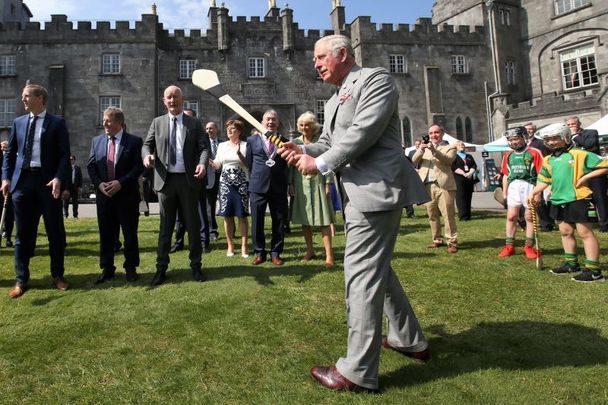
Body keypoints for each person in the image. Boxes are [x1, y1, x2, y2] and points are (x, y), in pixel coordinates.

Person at [279, 34, 430, 392]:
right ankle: (410, 340)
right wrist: (301, 147)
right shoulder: (333, 100)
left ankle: (357, 372)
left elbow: (364, 133)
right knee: (378, 269)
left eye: (319, 57)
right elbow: (331, 142)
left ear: (342, 54)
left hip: (376, 190)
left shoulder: (376, 80)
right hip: (358, 193)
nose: (314, 64)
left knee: (361, 275)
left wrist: (320, 163)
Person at [1, 84, 70, 298]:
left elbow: (63, 155)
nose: (23, 100)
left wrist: (59, 178)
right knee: (23, 234)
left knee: (55, 232)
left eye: (26, 96)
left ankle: (57, 275)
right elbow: (10, 154)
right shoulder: (18, 123)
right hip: (23, 183)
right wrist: (5, 178)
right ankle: (21, 279)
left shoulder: (57, 123)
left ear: (40, 98)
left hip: (47, 183)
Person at [142, 85, 209, 286]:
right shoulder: (157, 122)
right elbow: (147, 144)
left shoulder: (194, 123)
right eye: (169, 98)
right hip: (165, 181)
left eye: (176, 97)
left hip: (188, 181)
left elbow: (204, 148)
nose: (172, 101)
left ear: (183, 99)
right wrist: (147, 156)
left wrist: (202, 163)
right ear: (164, 101)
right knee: (165, 228)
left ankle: (196, 266)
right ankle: (161, 268)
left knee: (193, 226)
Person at [529, 123, 608, 282]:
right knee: (565, 231)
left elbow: (604, 165)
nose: (551, 142)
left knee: (585, 233)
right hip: (558, 198)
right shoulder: (548, 159)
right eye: (548, 140)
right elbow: (544, 180)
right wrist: (535, 192)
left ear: (565, 137)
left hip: (578, 197)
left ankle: (594, 271)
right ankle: (571, 263)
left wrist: (585, 177)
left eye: (555, 139)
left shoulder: (580, 154)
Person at [87, 107, 143, 283]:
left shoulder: (134, 142)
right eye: (103, 120)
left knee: (129, 233)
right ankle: (107, 268)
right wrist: (99, 184)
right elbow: (91, 166)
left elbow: (138, 167)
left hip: (126, 196)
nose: (104, 123)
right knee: (106, 234)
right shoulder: (96, 141)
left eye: (108, 120)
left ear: (119, 122)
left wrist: (121, 182)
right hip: (105, 197)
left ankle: (131, 267)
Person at [289, 111, 335, 267]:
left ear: (314, 126)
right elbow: (291, 163)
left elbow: (329, 162)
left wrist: (329, 183)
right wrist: (290, 183)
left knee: (324, 220)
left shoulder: (321, 142)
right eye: (301, 125)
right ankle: (310, 250)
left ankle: (329, 255)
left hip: (319, 181)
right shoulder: (295, 141)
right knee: (305, 220)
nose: (304, 128)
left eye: (307, 125)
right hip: (300, 182)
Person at [245, 109, 288, 266]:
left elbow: (285, 165)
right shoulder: (251, 140)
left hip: (278, 186)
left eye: (273, 120)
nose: (270, 122)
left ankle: (276, 253)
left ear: (278, 123)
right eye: (267, 120)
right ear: (262, 123)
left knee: (279, 221)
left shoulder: (284, 140)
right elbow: (248, 163)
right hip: (257, 186)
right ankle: (259, 253)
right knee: (257, 221)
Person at [497, 127, 543, 259]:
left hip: (530, 186)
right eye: (511, 140)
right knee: (511, 216)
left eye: (516, 139)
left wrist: (538, 193)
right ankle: (509, 246)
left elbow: (541, 174)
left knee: (529, 216)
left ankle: (529, 246)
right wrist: (505, 193)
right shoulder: (508, 155)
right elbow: (506, 175)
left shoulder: (534, 152)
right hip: (513, 187)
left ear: (524, 137)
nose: (514, 142)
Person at [412, 124, 458, 253]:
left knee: (448, 215)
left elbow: (448, 161)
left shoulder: (450, 147)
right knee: (432, 215)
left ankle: (452, 242)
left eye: (436, 133)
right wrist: (421, 149)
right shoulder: (425, 148)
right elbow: (414, 159)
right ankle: (437, 239)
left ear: (442, 133)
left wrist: (434, 151)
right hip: (428, 185)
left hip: (444, 185)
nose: (433, 136)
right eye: (431, 133)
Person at [170, 108, 210, 253]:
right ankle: (179, 241)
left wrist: (201, 168)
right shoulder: (175, 131)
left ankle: (204, 241)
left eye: (187, 117)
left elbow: (204, 152)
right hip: (179, 180)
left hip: (196, 179)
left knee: (199, 212)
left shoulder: (199, 131)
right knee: (179, 214)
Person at [210, 119, 249, 258]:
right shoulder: (222, 146)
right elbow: (217, 164)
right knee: (227, 215)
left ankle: (244, 246)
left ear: (239, 131)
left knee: (242, 215)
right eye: (228, 128)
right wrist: (208, 162)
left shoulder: (245, 145)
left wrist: (239, 153)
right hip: (225, 184)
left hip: (241, 183)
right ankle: (230, 245)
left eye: (232, 129)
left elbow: (248, 163)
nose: (229, 131)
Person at [566, 116, 608, 232]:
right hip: (577, 172)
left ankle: (604, 224)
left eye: (573, 124)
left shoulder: (591, 132)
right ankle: (580, 221)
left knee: (599, 198)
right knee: (578, 197)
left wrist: (575, 135)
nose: (571, 127)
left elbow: (589, 145)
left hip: (594, 171)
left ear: (579, 123)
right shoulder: (566, 138)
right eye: (569, 125)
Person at [524, 122, 554, 231]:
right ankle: (525, 222)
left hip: (539, 173)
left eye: (531, 129)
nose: (528, 131)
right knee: (528, 200)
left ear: (534, 130)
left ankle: (546, 223)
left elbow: (547, 156)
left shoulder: (540, 143)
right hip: (526, 174)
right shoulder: (522, 143)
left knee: (540, 199)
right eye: (526, 129)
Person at [451, 140, 477, 221]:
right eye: (459, 145)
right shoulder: (454, 156)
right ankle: (463, 216)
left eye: (463, 144)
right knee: (461, 197)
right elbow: (453, 167)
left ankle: (468, 215)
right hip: (459, 179)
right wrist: (463, 173)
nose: (462, 146)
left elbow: (474, 165)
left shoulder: (469, 156)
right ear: (456, 147)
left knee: (468, 196)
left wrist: (470, 172)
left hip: (469, 179)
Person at [206, 121, 222, 241]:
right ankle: (212, 231)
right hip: (210, 178)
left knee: (227, 204)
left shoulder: (224, 143)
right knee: (210, 206)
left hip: (223, 177)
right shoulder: (203, 144)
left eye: (211, 128)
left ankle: (231, 231)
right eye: (207, 129)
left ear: (216, 129)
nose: (209, 130)